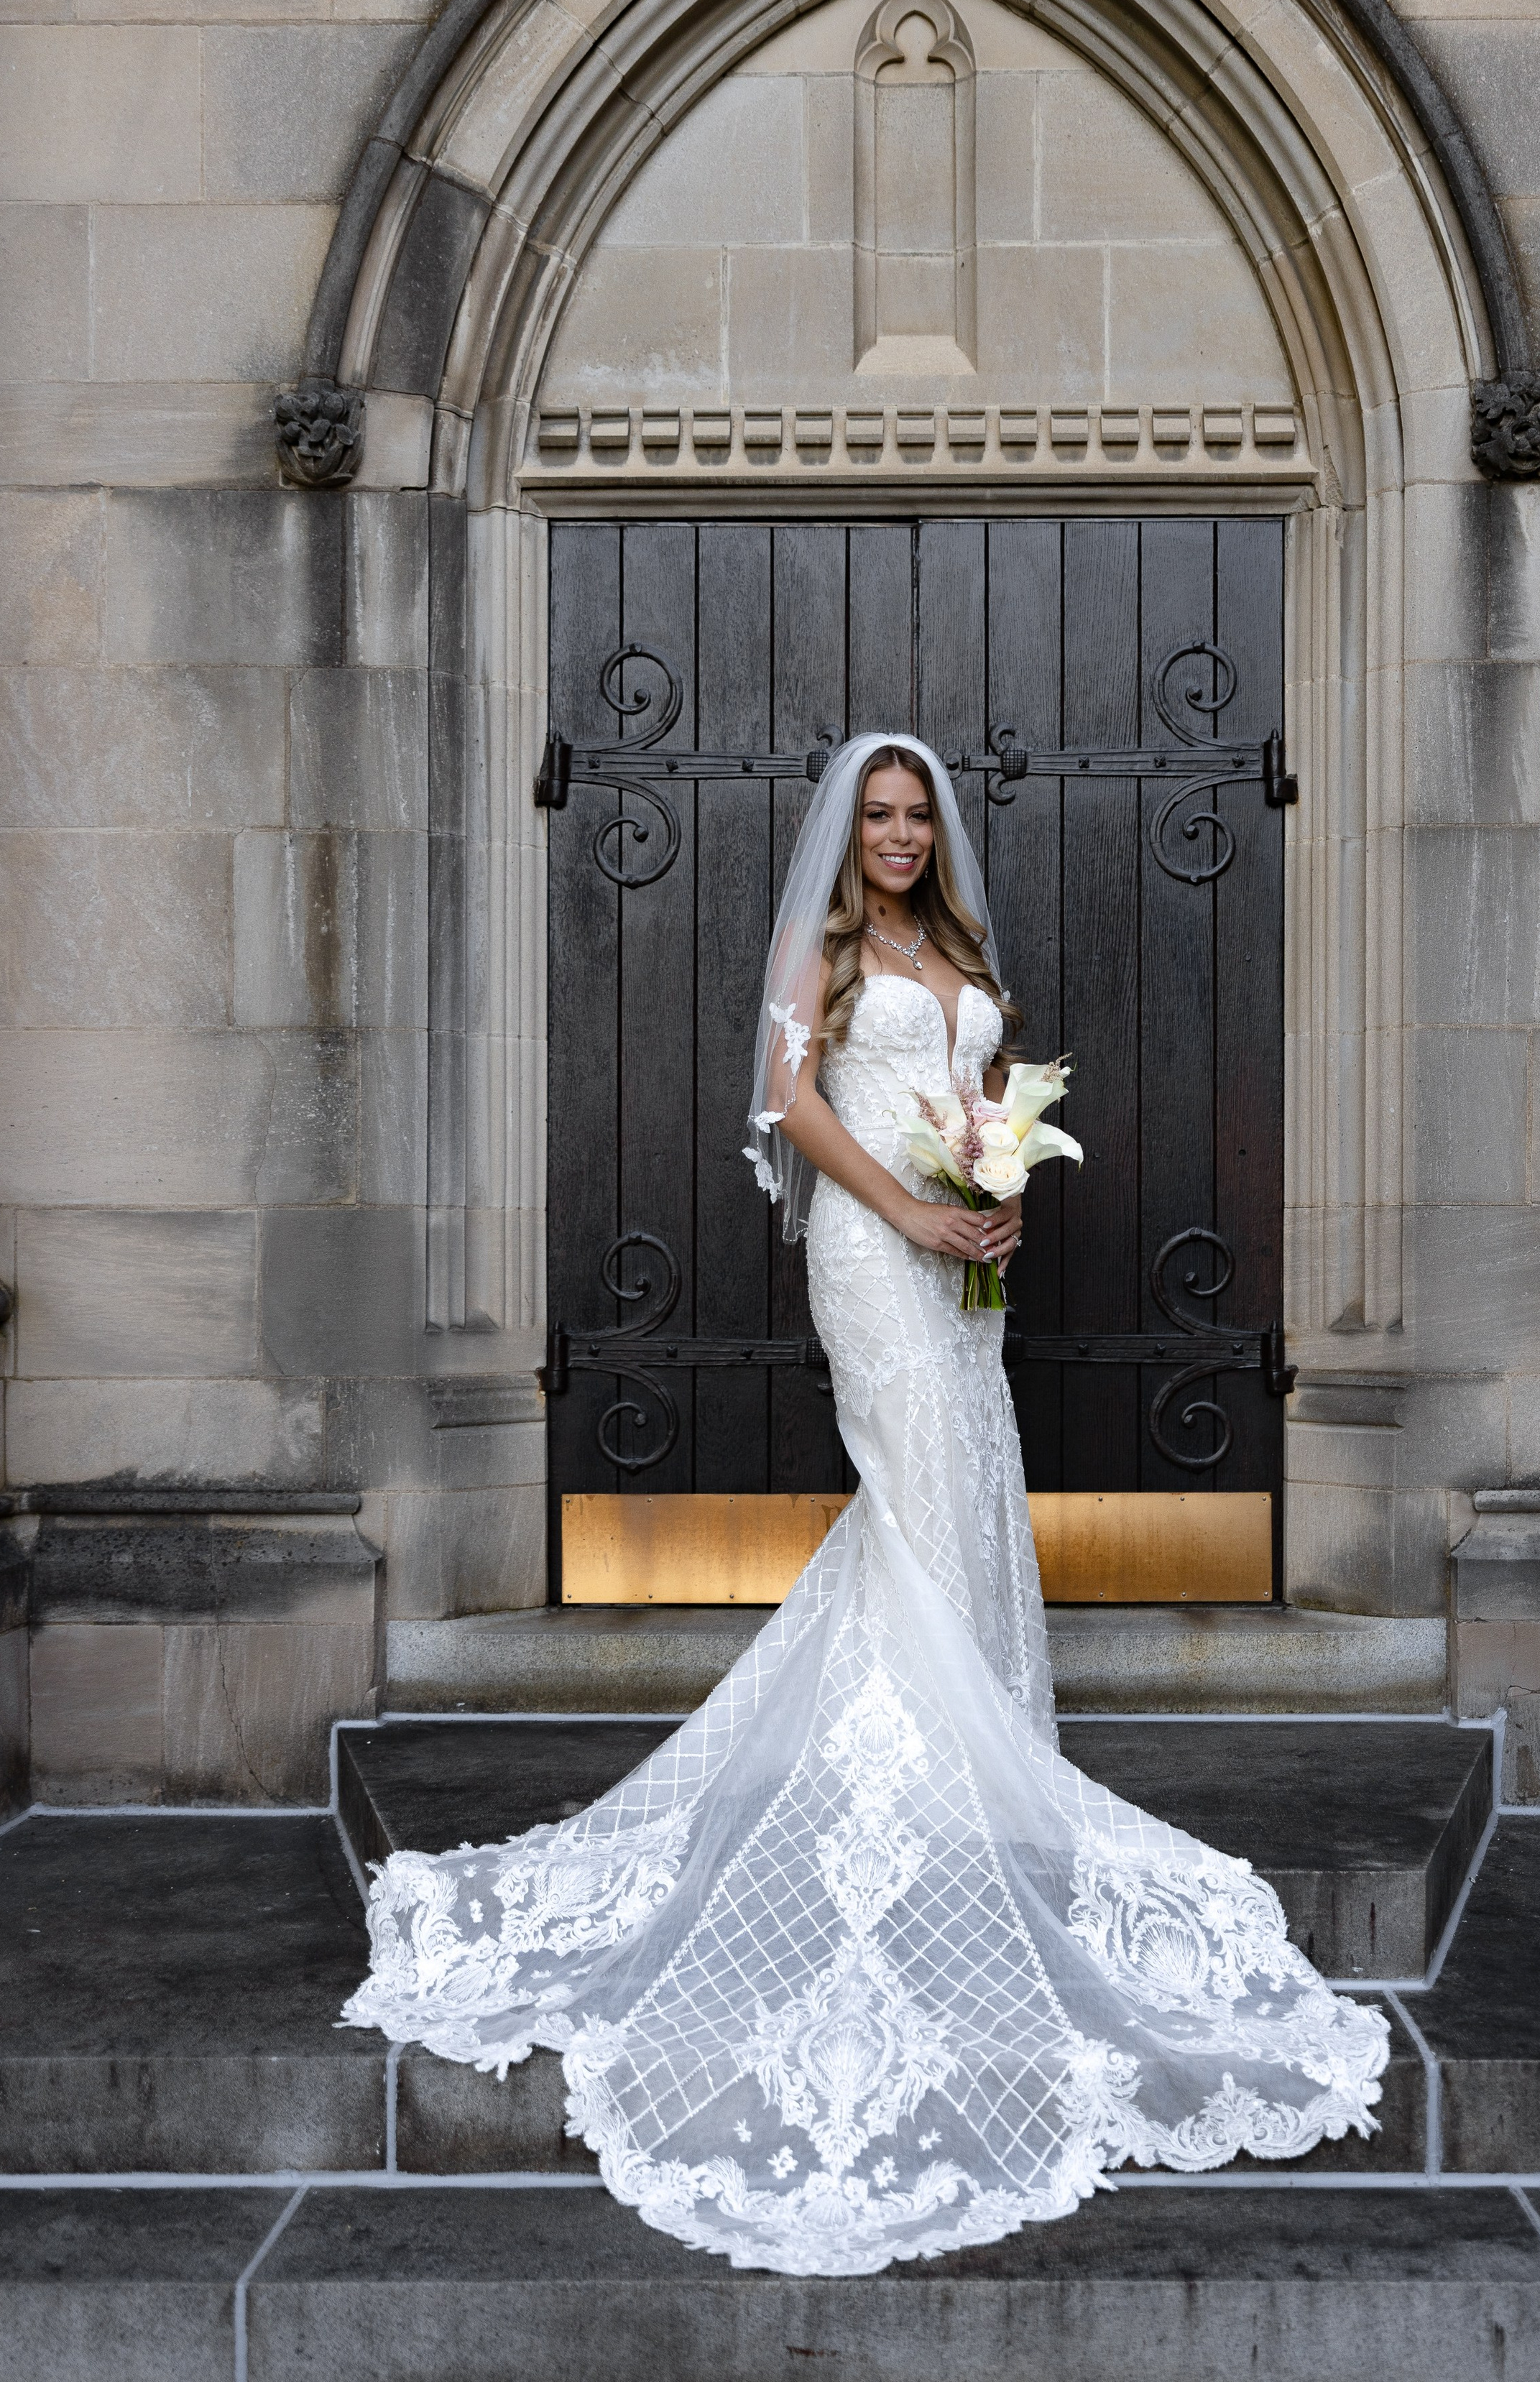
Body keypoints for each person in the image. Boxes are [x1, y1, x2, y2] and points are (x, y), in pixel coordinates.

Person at [341, 732, 1389, 2276]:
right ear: (851, 834)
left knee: (963, 1500)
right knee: (909, 1505)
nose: (896, 836)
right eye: (878, 818)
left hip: (958, 1264)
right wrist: (907, 1207)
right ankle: (904, 1817)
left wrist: (992, 1197)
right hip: (865, 1250)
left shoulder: (955, 950)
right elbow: (791, 1106)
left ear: (935, 835)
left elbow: (971, 1104)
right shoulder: (821, 949)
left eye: (915, 818)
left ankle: (959, 1796)